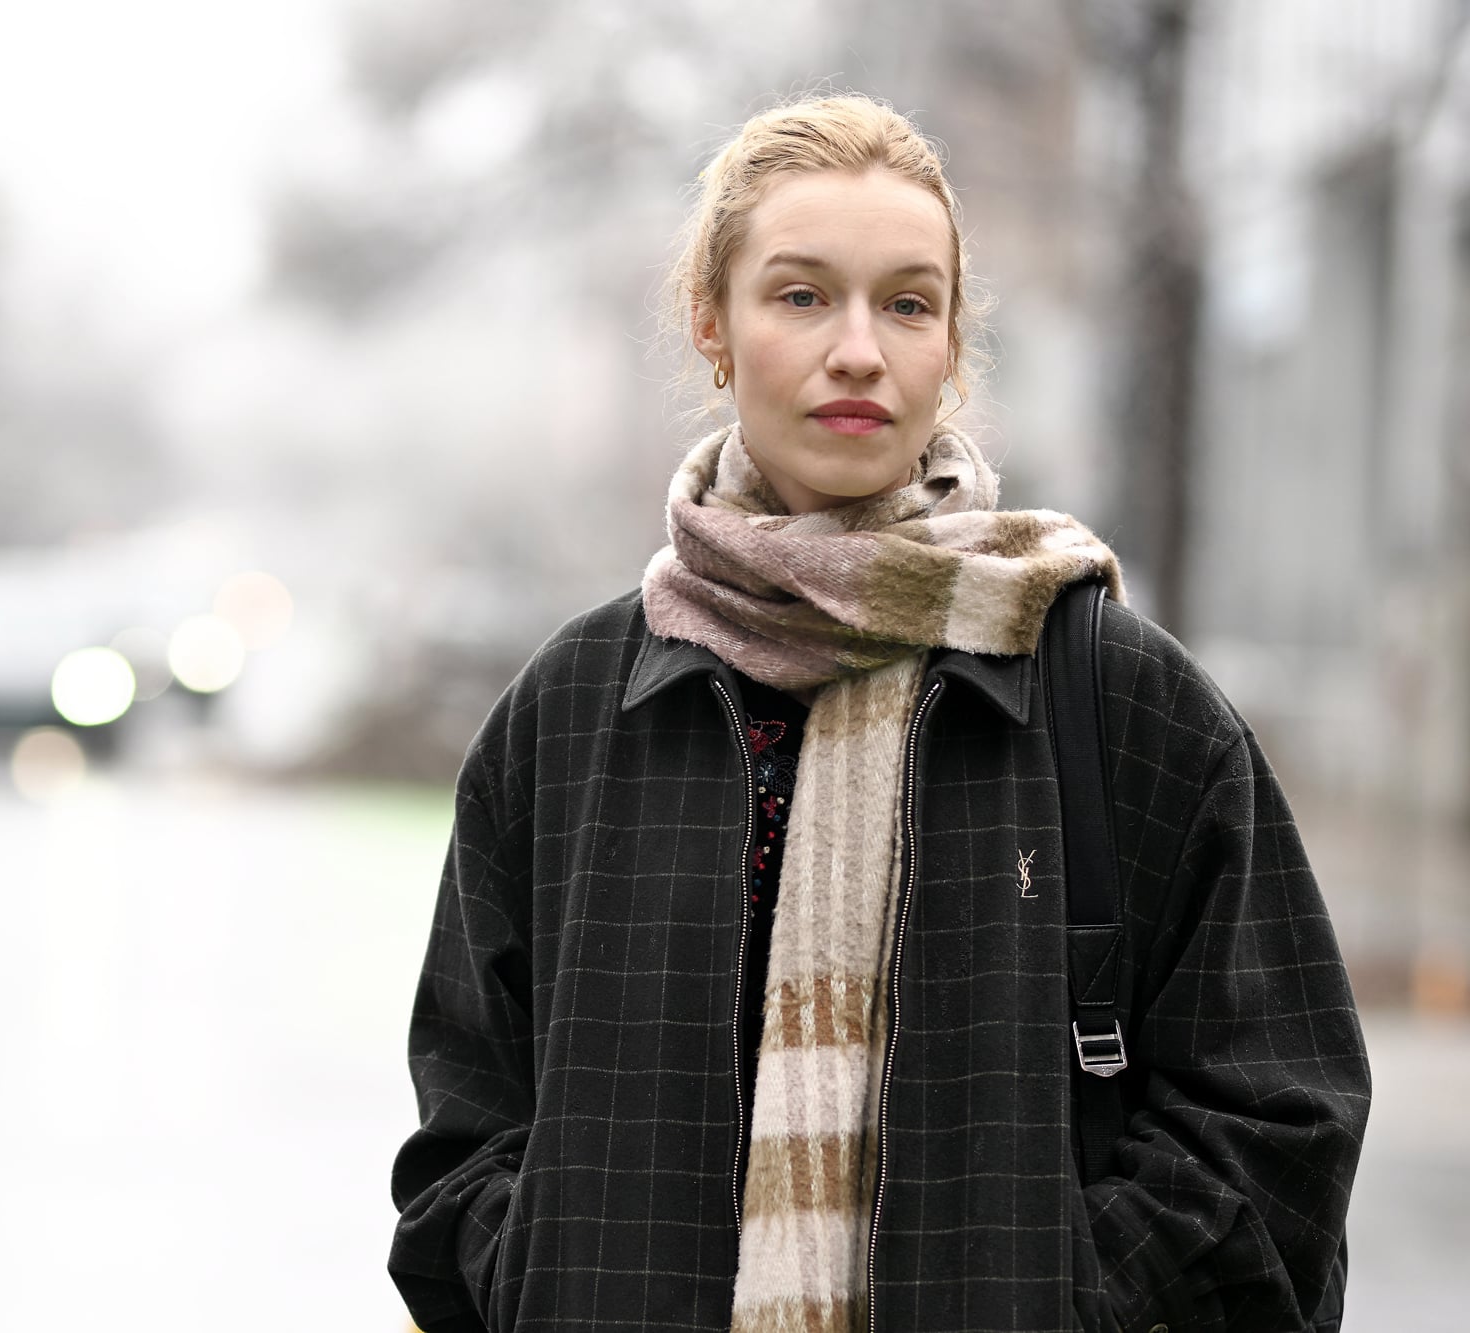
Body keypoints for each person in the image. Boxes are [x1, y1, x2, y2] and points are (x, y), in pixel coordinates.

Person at [386, 92, 1370, 1333]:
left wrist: (1064, 1301)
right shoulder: (573, 712)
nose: (858, 350)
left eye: (906, 303)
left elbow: (1279, 1121)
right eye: (800, 296)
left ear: (949, 346)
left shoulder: (1114, 696)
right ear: (712, 325)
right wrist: (553, 1278)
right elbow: (463, 1137)